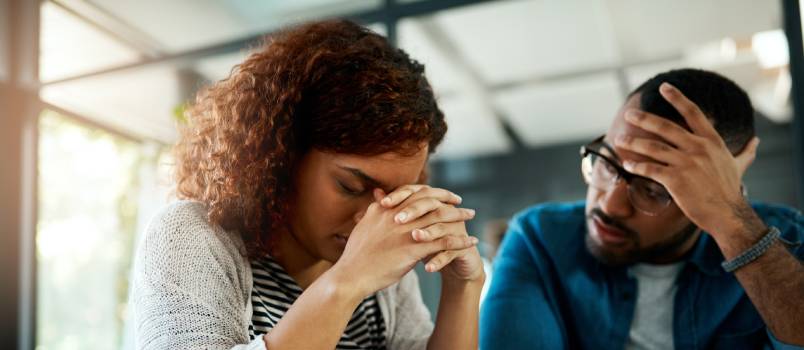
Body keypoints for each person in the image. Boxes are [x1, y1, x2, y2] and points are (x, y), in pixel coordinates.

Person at [131, 20, 485, 350]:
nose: (372, 218)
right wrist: (347, 282)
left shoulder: (384, 273)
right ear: (283, 154)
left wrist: (463, 288)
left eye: (394, 196)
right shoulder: (192, 237)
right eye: (349, 185)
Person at [480, 68, 803, 349]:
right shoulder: (540, 239)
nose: (609, 204)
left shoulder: (789, 242)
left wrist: (733, 222)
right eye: (607, 163)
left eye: (651, 189)